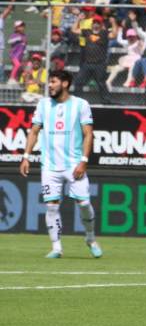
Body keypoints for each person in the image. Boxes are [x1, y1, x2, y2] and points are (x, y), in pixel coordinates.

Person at [19, 70, 102, 259]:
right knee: (51, 206)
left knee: (84, 203)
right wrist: (26, 156)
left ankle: (90, 238)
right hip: (49, 165)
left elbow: (88, 134)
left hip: (74, 165)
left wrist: (84, 161)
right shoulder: (43, 105)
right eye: (49, 82)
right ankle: (57, 248)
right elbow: (34, 132)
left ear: (65, 84)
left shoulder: (81, 104)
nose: (49, 85)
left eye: (53, 82)